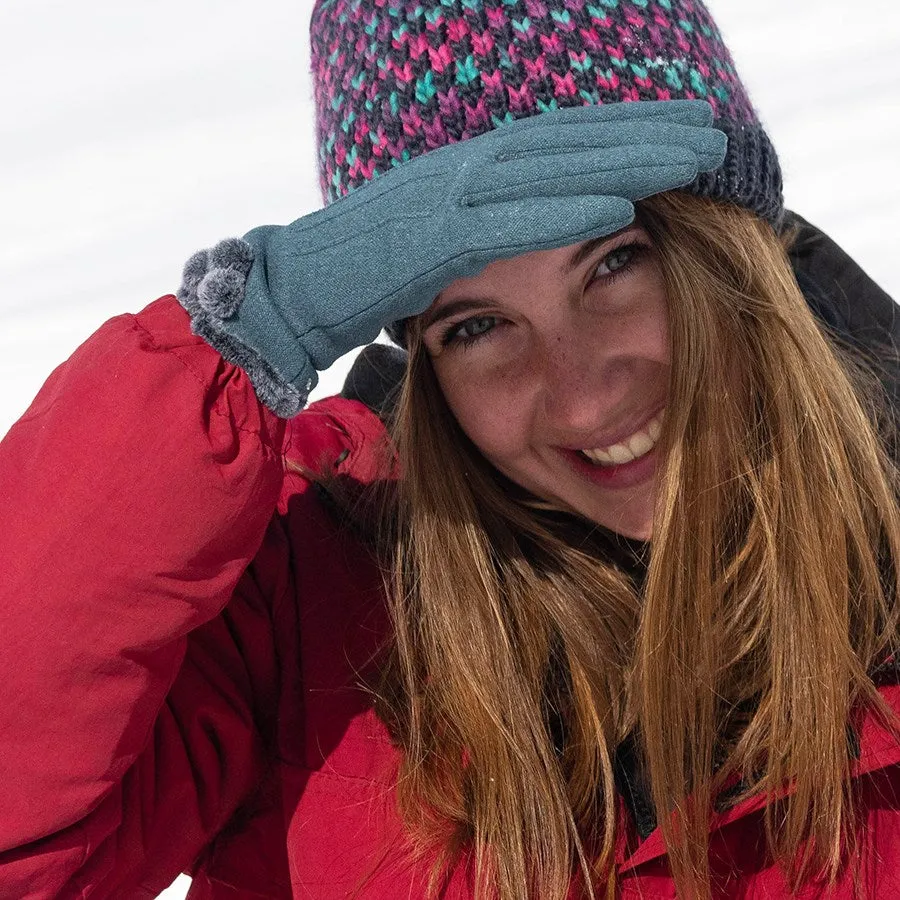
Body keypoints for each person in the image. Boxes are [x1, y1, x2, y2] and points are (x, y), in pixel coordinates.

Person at [1, 0, 899, 897]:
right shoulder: (301, 588)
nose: (582, 395)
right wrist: (243, 336)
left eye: (615, 264)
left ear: (730, 255)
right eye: (476, 327)